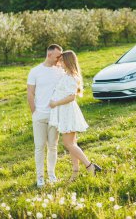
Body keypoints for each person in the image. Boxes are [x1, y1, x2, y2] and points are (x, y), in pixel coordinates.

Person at [48, 50, 101, 182]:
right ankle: (75, 172)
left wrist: (56, 103)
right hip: (64, 111)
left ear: (67, 61)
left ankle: (90, 166)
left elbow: (71, 97)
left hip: (67, 112)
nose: (59, 62)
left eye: (62, 60)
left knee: (68, 143)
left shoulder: (72, 77)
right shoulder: (66, 75)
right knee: (72, 143)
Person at [27, 44, 64, 188]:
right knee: (39, 147)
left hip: (54, 116)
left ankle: (52, 175)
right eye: (57, 56)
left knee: (53, 147)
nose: (59, 59)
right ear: (49, 55)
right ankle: (40, 177)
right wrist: (34, 111)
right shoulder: (35, 71)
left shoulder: (60, 71)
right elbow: (30, 93)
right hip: (39, 116)